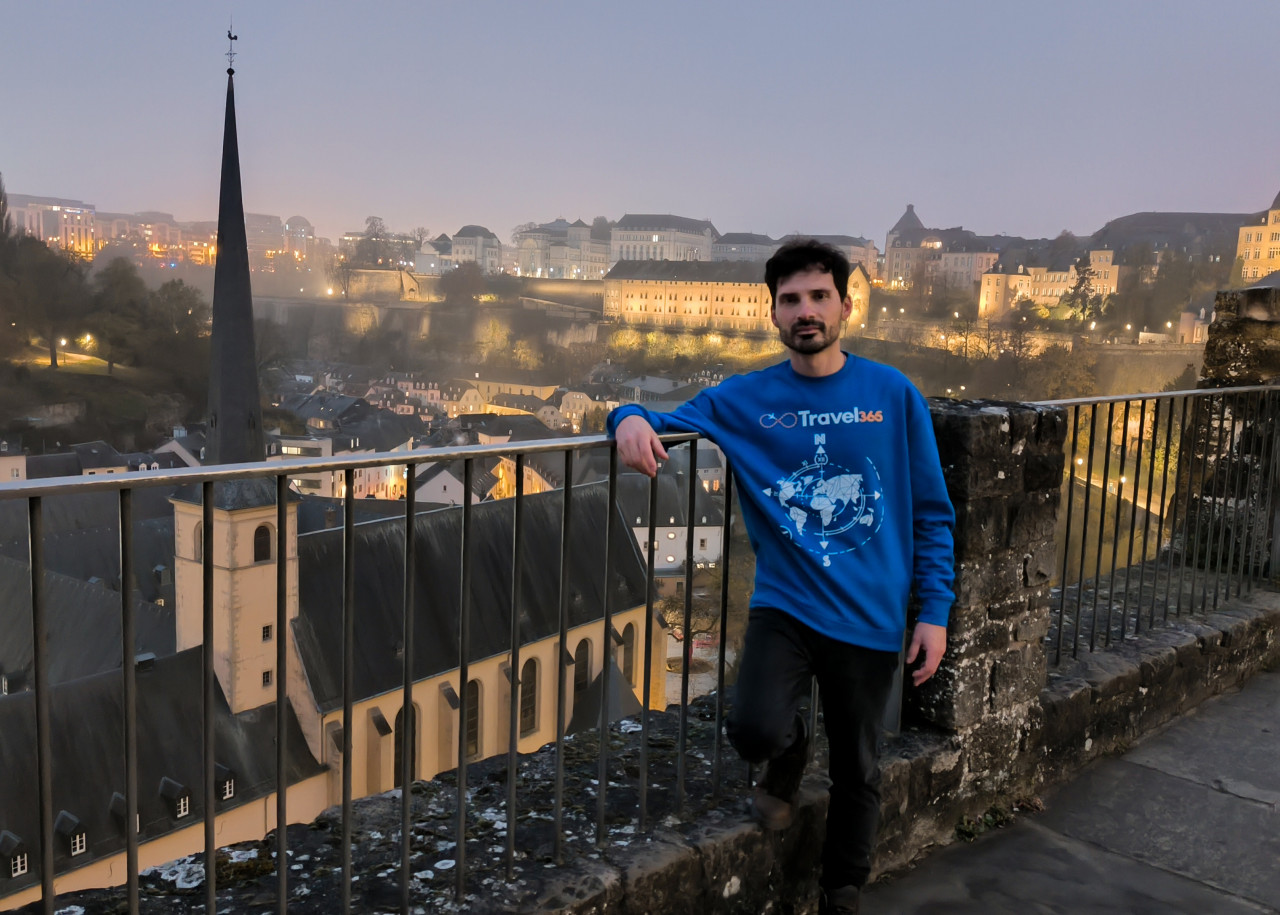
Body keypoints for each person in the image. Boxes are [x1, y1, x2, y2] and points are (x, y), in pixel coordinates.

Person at [608, 239, 955, 915]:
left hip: (870, 611)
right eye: (791, 299)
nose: (806, 311)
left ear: (846, 306)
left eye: (819, 296)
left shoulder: (892, 394)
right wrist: (623, 417)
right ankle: (788, 758)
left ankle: (842, 892)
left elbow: (933, 512)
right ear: (772, 313)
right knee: (753, 728)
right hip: (787, 603)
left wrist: (934, 609)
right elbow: (657, 417)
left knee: (859, 767)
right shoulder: (746, 398)